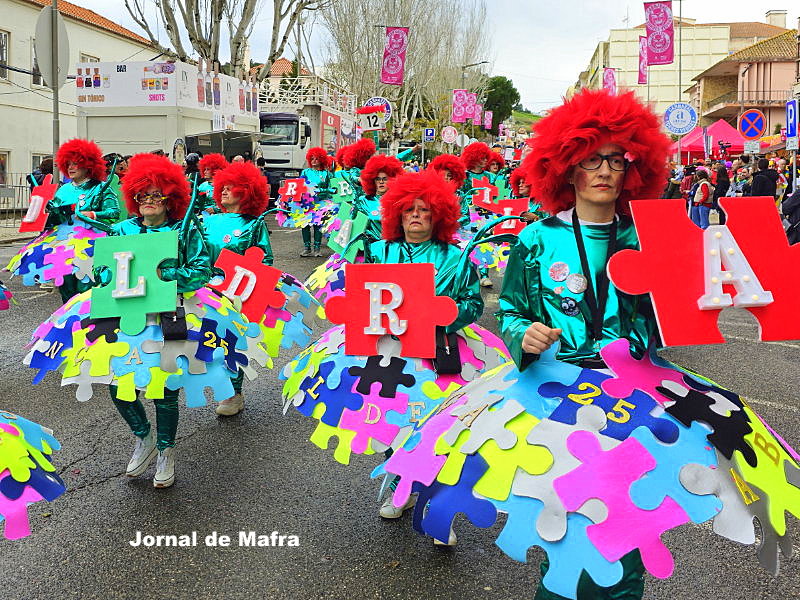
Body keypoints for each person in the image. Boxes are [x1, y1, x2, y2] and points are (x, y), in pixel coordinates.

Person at [497, 88, 671, 600]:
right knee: (563, 518)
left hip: (631, 396)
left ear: (632, 171)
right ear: (567, 167)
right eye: (591, 158)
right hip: (554, 397)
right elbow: (511, 309)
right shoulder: (535, 240)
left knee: (627, 517)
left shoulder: (646, 239)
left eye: (616, 160)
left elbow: (663, 322)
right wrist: (522, 336)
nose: (604, 170)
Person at [204, 161, 273, 416]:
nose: (224, 191)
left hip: (238, 291)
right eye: (223, 187)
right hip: (208, 288)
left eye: (231, 188)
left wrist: (245, 282)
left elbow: (265, 259)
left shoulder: (254, 224)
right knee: (209, 340)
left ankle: (234, 394)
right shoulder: (209, 220)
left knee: (233, 341)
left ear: (245, 192)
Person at [37, 139, 120, 302]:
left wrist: (94, 215)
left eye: (75, 163)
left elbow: (114, 212)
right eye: (68, 164)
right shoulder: (63, 190)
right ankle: (69, 323)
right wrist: (48, 212)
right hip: (64, 246)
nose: (71, 167)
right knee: (66, 289)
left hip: (91, 247)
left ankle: (89, 324)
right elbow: (55, 219)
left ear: (88, 164)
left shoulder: (101, 187)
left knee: (87, 289)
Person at [353, 154, 405, 244]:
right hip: (372, 248)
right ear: (372, 181)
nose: (381, 182)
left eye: (385, 179)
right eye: (378, 179)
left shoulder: (398, 201)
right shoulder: (364, 200)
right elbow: (354, 222)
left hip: (393, 247)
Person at [299, 147, 333, 257]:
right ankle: (307, 247)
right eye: (312, 158)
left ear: (321, 160)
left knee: (318, 224)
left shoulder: (327, 174)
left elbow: (332, 188)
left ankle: (317, 248)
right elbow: (299, 186)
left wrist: (322, 191)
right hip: (307, 202)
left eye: (317, 159)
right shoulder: (305, 171)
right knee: (305, 224)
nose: (314, 161)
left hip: (321, 202)